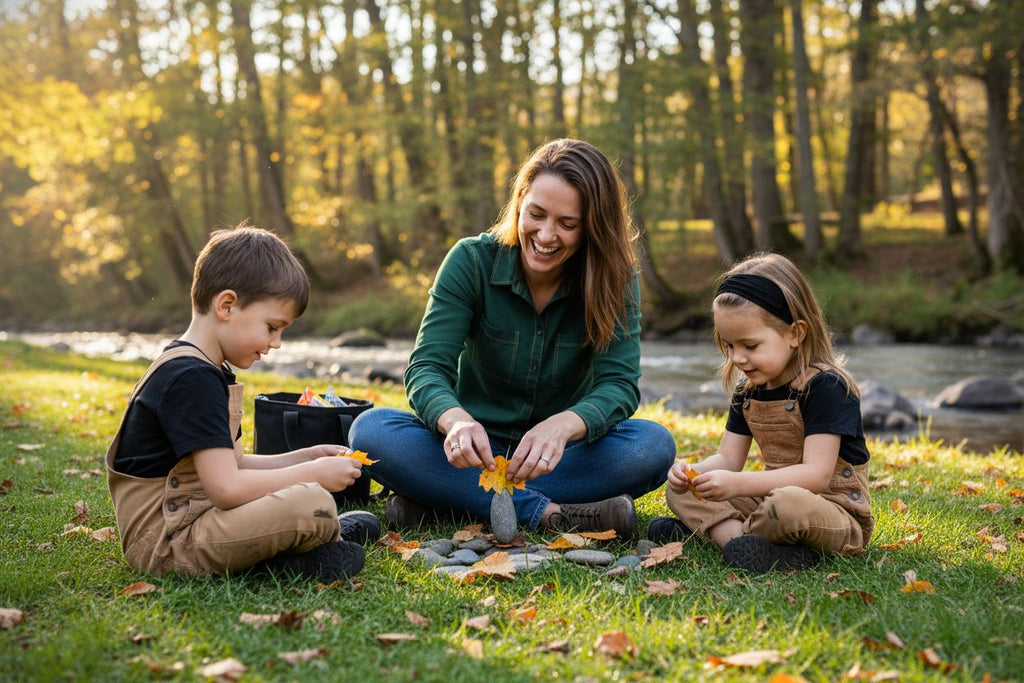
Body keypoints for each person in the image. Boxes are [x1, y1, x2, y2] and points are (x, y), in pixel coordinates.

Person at [350, 139, 676, 539]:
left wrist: (562, 427)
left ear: (592, 227)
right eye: (536, 214)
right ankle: (552, 514)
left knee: (652, 446)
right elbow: (426, 368)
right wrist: (455, 423)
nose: (546, 234)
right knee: (370, 429)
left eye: (568, 224)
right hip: (470, 455)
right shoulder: (470, 260)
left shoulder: (616, 280)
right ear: (520, 201)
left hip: (561, 456)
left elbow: (619, 385)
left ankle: (442, 502)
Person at [105, 224, 380, 582]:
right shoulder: (190, 378)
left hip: (197, 516)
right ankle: (288, 557)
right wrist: (313, 475)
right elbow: (228, 488)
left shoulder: (206, 369)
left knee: (310, 500)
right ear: (227, 305)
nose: (277, 342)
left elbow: (233, 463)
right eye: (272, 327)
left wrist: (305, 456)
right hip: (168, 542)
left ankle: (313, 536)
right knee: (311, 500)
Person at [648, 252, 874, 572]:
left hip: (831, 511)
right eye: (729, 346)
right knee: (681, 490)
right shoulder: (749, 390)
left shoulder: (825, 387)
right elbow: (727, 460)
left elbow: (817, 475)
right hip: (769, 499)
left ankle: (718, 533)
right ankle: (745, 544)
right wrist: (693, 473)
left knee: (787, 506)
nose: (738, 358)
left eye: (750, 346)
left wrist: (739, 485)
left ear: (795, 334)